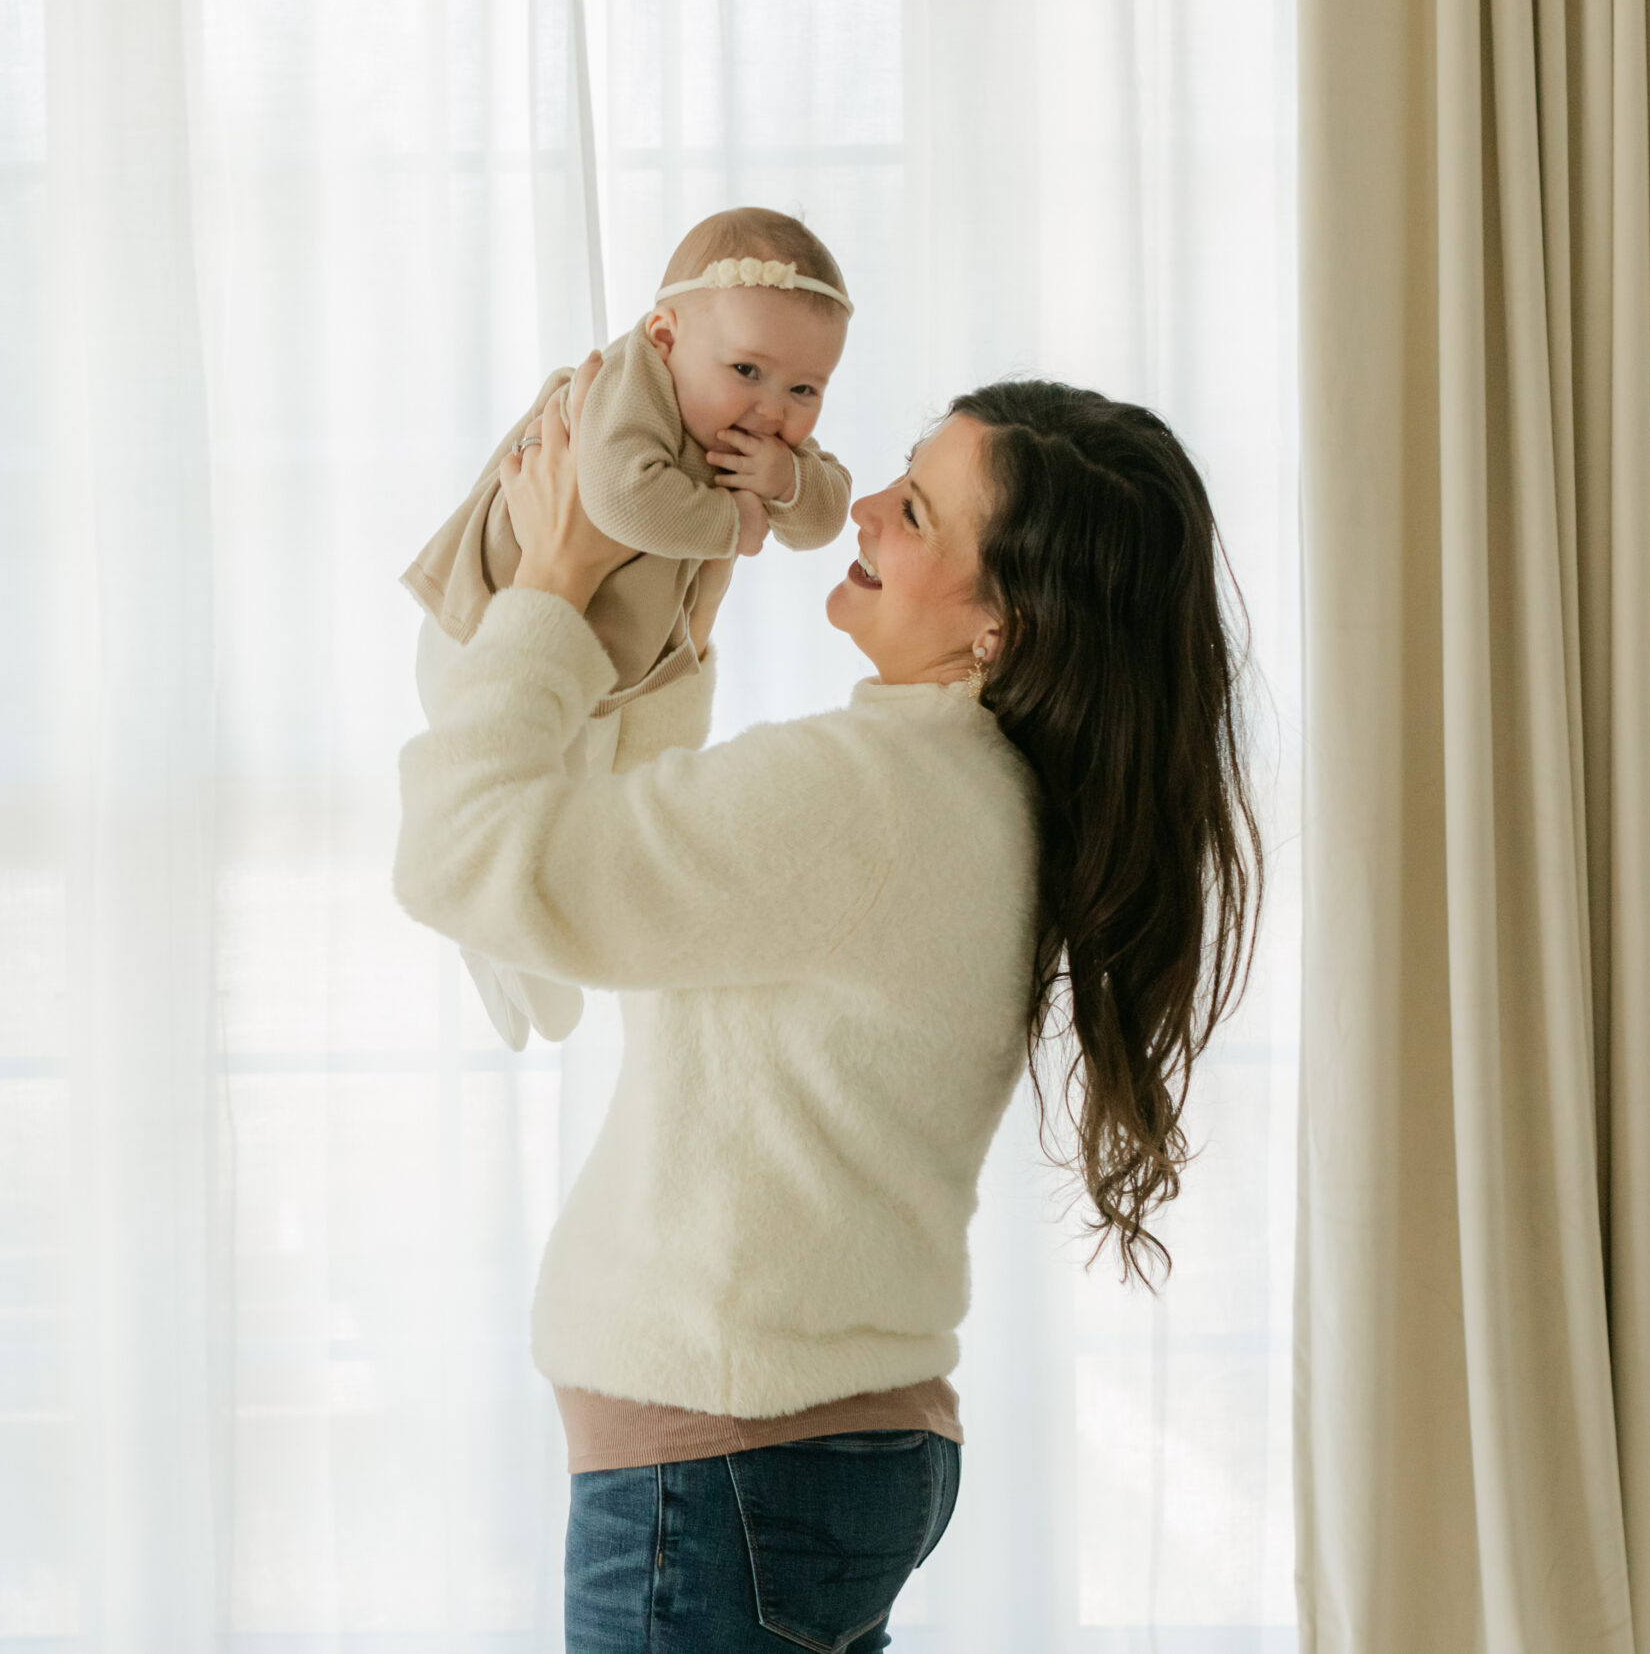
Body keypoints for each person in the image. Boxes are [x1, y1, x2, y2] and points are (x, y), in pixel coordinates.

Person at [393, 361, 1262, 1650]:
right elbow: (643, 868)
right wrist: (673, 603)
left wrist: (551, 590)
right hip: (811, 1460)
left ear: (1002, 624)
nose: (858, 509)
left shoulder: (871, 796)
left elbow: (465, 855)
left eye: (913, 512)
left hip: (722, 1477)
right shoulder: (972, 794)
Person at [402, 207, 853, 1050]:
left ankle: (529, 942)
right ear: (665, 332)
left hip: (589, 667)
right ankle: (489, 926)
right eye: (747, 369)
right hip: (492, 633)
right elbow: (616, 499)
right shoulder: (626, 386)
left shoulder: (752, 433)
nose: (769, 408)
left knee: (586, 820)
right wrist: (734, 525)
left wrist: (789, 481)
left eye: (804, 389)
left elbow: (827, 511)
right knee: (516, 801)